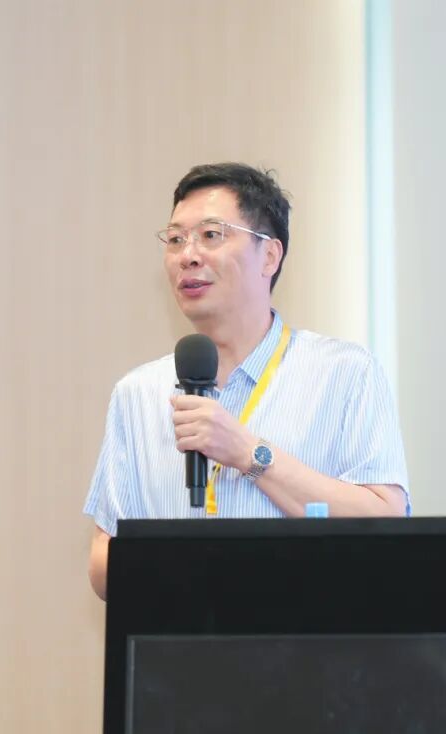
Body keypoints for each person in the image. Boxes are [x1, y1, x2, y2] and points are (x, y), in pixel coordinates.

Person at [83, 163, 409, 600]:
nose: (188, 255)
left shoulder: (346, 373)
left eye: (211, 235)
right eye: (176, 239)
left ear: (269, 256)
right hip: (180, 639)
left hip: (309, 636)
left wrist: (249, 454)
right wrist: (187, 568)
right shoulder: (137, 393)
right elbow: (103, 557)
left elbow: (387, 524)